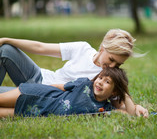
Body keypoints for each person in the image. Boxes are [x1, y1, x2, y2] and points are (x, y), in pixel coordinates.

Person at [0, 29, 148, 117]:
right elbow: (40, 47)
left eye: (118, 64)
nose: (113, 66)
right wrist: (7, 39)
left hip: (45, 98)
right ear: (103, 48)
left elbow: (119, 103)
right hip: (38, 77)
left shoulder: (104, 79)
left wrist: (136, 107)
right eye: (111, 59)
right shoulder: (82, 48)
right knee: (6, 50)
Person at [0, 67, 139, 118]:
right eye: (101, 77)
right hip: (37, 94)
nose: (100, 82)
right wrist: (39, 88)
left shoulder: (104, 109)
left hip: (37, 111)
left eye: (107, 82)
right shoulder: (85, 83)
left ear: (114, 91)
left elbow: (131, 114)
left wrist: (125, 94)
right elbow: (60, 87)